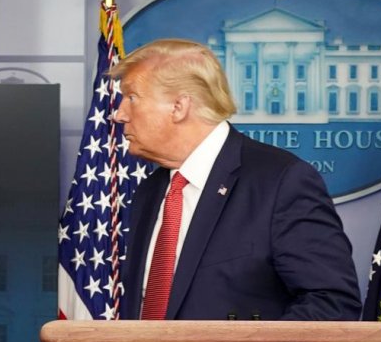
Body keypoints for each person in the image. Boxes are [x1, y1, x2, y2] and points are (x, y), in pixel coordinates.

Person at [110, 38, 362, 322]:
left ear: (179, 107)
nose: (118, 114)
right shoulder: (150, 190)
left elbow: (332, 303)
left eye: (131, 97)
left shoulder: (281, 182)